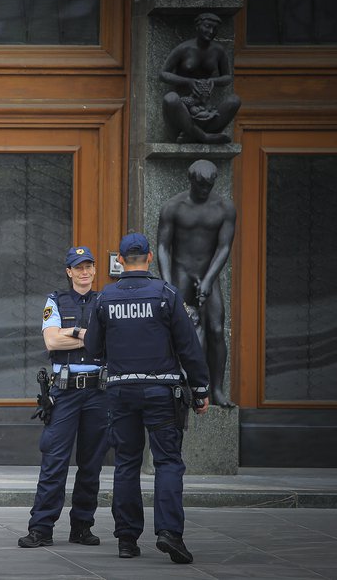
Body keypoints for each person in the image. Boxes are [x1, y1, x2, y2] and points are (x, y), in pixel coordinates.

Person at [84, 233, 210, 564]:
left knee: (127, 461)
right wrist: (200, 391)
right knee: (167, 461)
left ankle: (127, 538)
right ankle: (170, 533)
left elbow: (93, 348)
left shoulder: (104, 298)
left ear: (121, 261)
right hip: (162, 391)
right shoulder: (167, 295)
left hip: (121, 391)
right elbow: (189, 347)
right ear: (150, 258)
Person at [18, 246, 108, 549]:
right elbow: (51, 339)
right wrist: (86, 334)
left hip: (98, 391)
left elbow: (109, 343)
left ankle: (82, 527)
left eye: (89, 266)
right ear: (69, 271)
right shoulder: (55, 300)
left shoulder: (105, 301)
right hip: (64, 392)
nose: (84, 272)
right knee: (55, 461)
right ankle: (41, 528)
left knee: (91, 462)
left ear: (95, 270)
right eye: (77, 267)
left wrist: (72, 333)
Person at [157, 159, 236, 407]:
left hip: (208, 273)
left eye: (209, 186)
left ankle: (217, 389)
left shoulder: (225, 207)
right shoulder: (173, 207)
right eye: (201, 186)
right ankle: (178, 386)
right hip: (181, 272)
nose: (205, 191)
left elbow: (224, 247)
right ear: (191, 181)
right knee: (177, 330)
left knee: (215, 328)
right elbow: (162, 247)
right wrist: (168, 286)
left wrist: (210, 279)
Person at [160, 13, 240, 144]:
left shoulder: (218, 51)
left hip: (205, 107)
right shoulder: (184, 48)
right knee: (170, 98)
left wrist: (213, 81)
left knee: (234, 100)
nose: (211, 31)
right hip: (183, 109)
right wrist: (188, 81)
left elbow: (227, 77)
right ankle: (203, 137)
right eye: (207, 26)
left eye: (215, 29)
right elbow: (163, 74)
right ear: (198, 26)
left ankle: (193, 135)